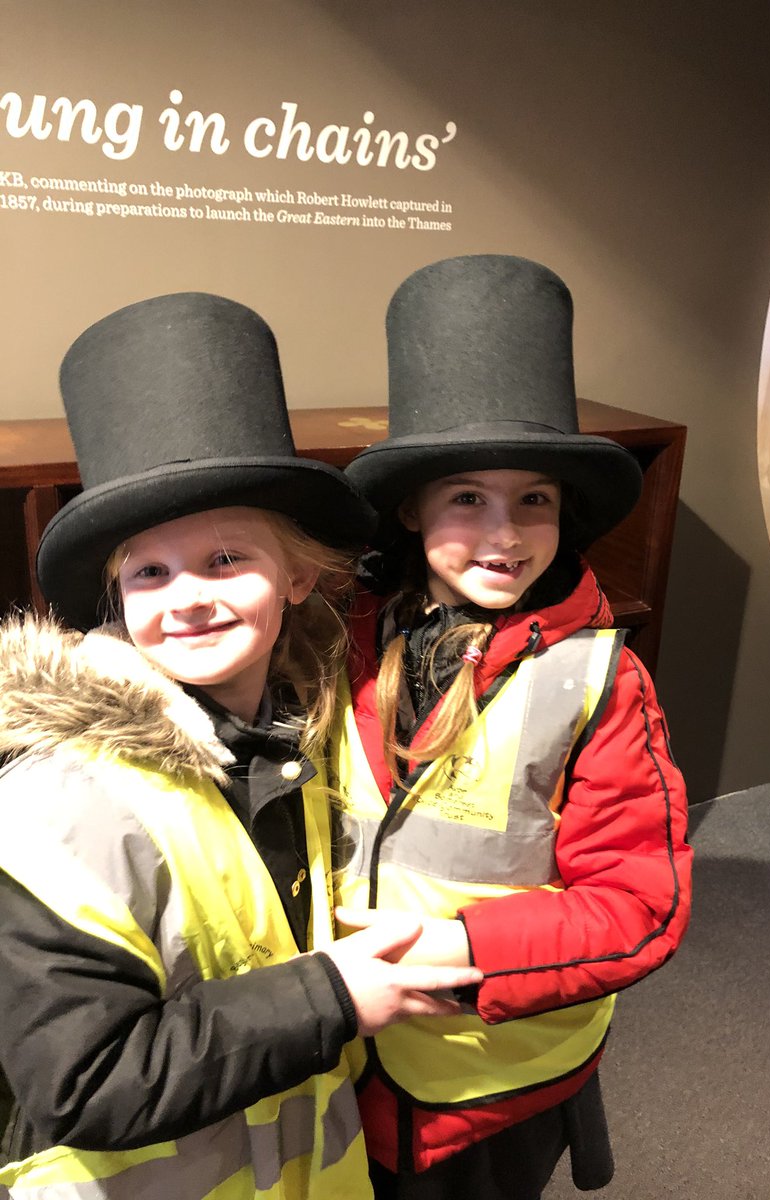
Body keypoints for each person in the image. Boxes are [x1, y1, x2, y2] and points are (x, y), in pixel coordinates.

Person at [0, 292, 482, 1199]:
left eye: (226, 559)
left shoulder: (298, 737)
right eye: (150, 570)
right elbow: (81, 1079)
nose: (185, 596)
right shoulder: (55, 808)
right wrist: (330, 998)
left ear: (298, 575)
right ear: (119, 598)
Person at [329, 255, 693, 1199]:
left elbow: (640, 907)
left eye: (533, 498)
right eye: (467, 498)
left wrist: (455, 950)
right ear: (410, 509)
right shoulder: (342, 643)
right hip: (334, 1065)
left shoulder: (603, 681)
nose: (504, 533)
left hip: (488, 1089)